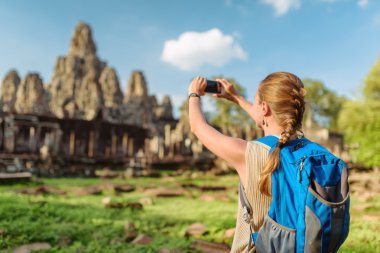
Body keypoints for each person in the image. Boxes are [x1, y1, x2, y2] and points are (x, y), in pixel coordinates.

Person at [187, 72, 307, 252]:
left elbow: (198, 127)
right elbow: (270, 120)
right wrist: (236, 97)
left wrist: (193, 94)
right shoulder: (314, 154)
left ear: (264, 108)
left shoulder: (248, 153)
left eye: (256, 101)